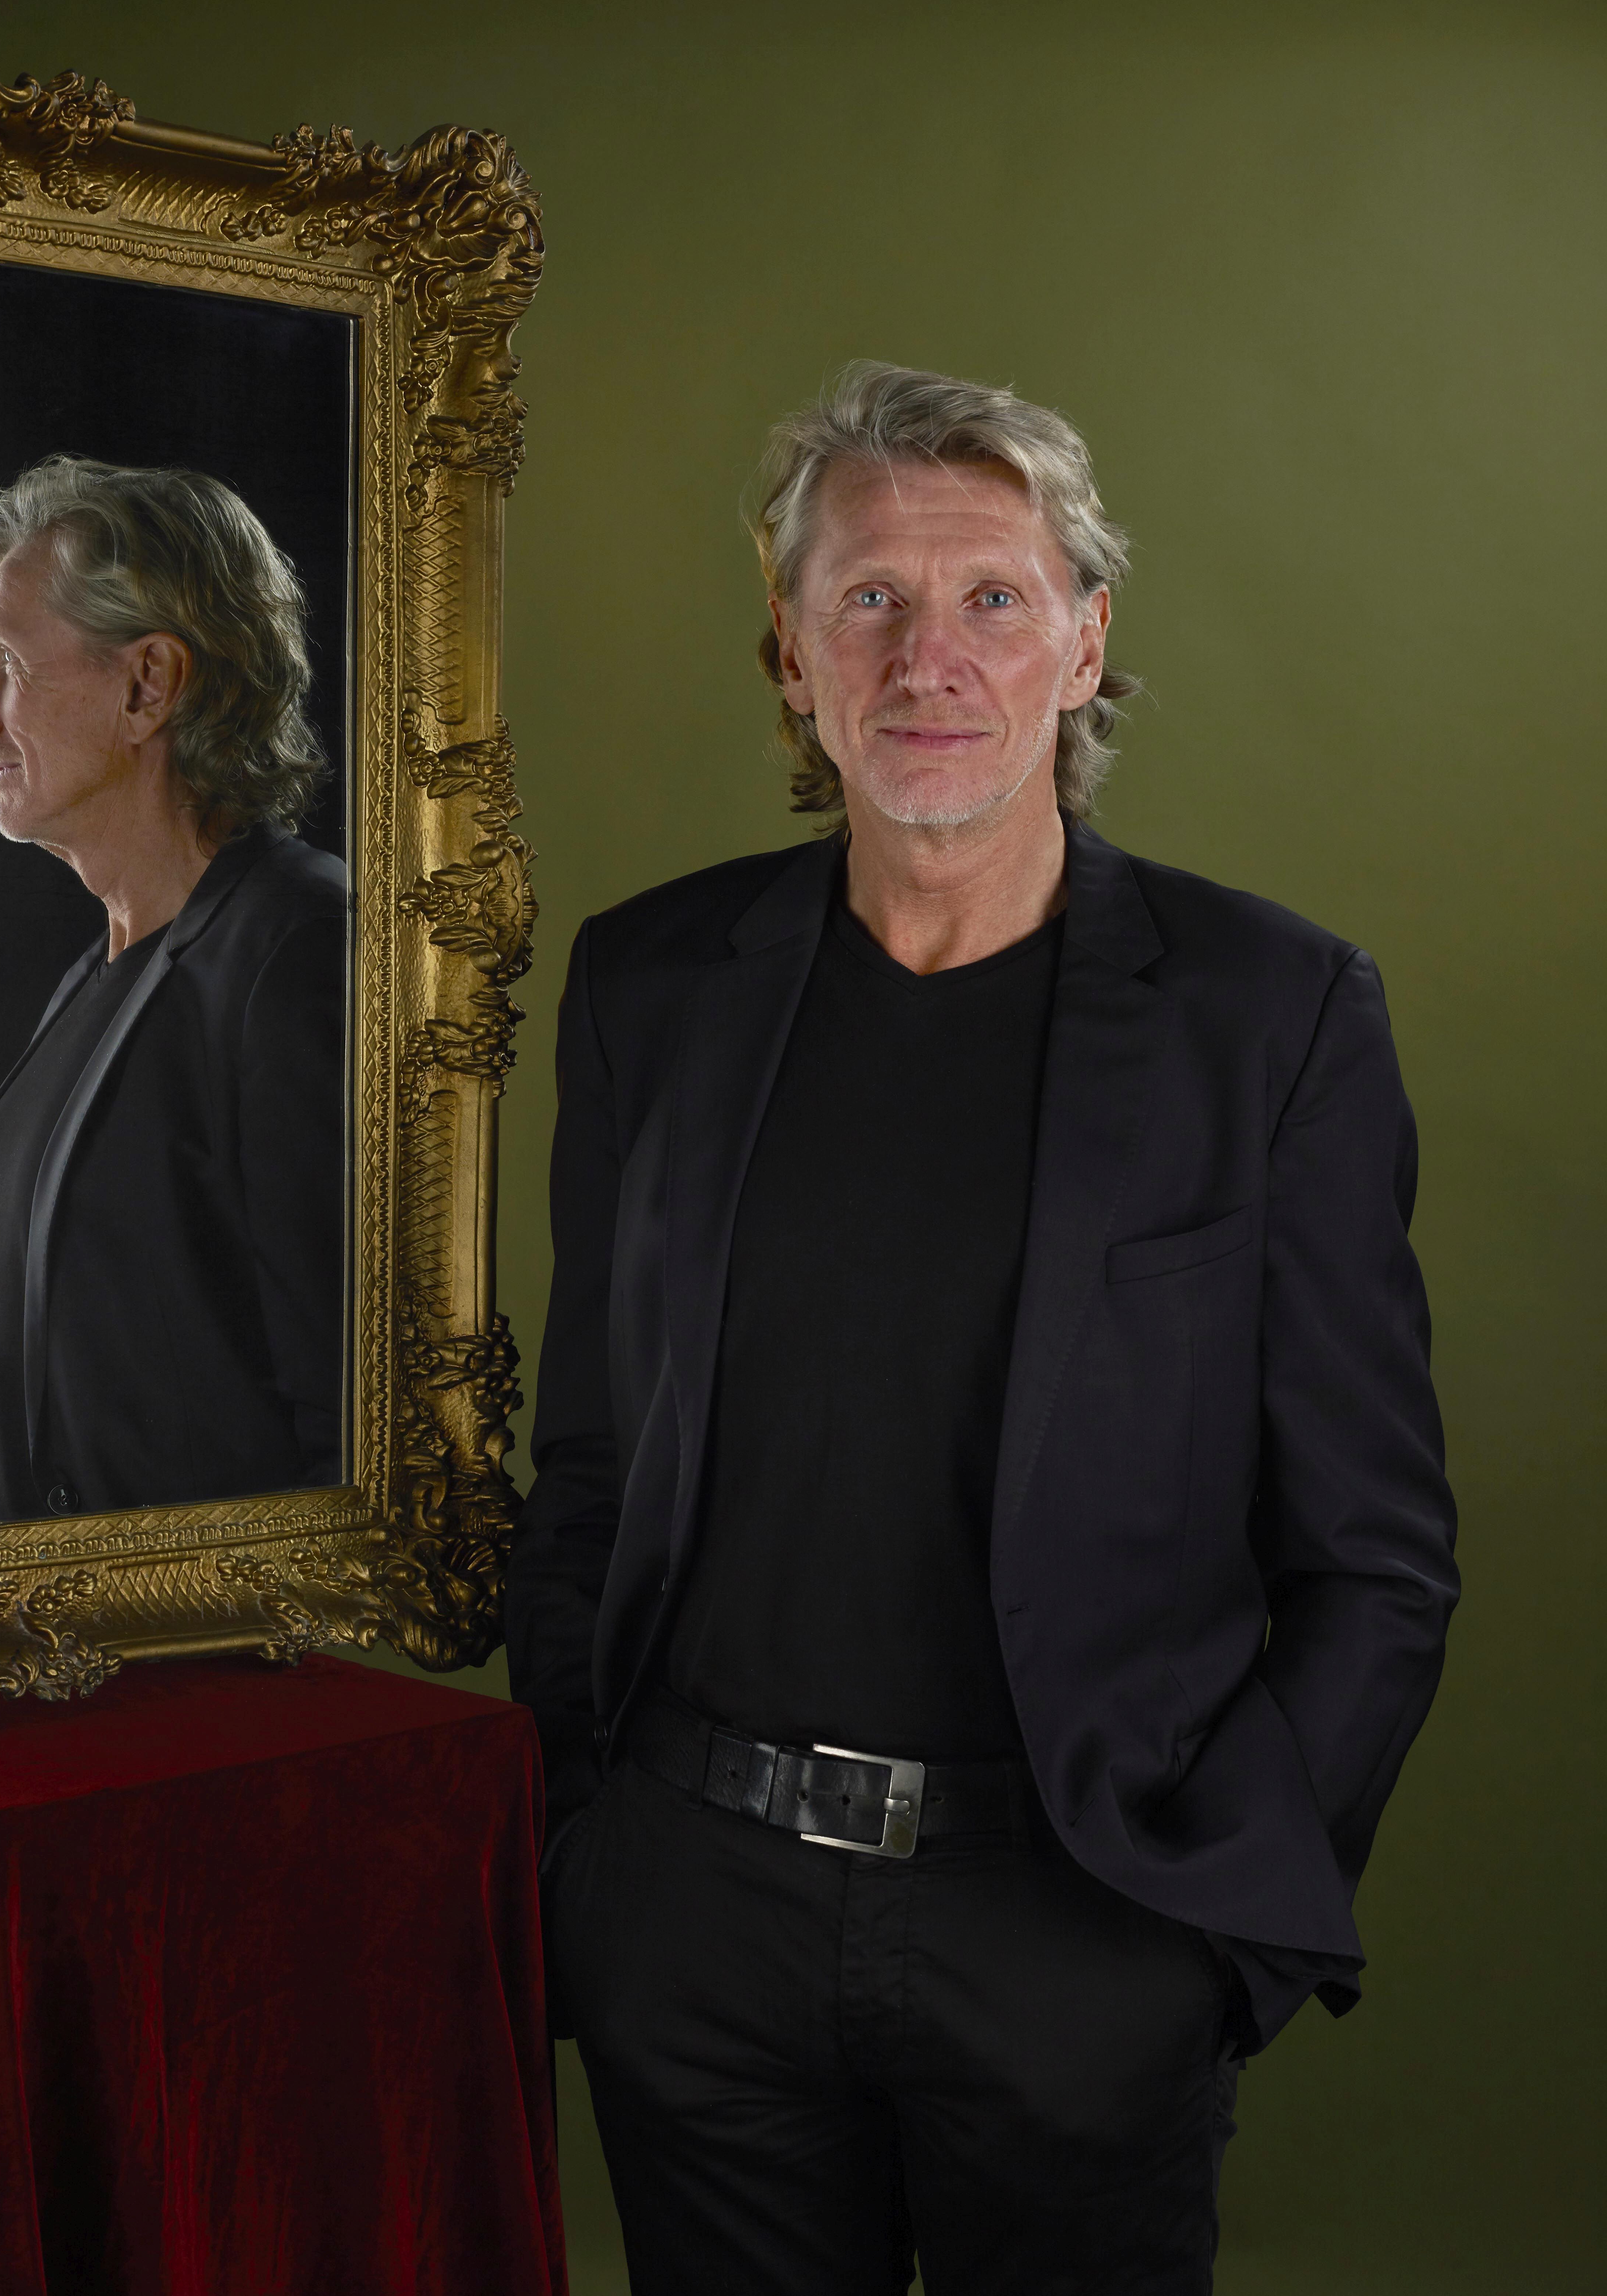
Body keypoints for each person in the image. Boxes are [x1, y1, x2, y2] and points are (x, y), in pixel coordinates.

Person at [507, 363, 1458, 2293]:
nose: (923, 656)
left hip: (1079, 1921)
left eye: (990, 598)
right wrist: (586, 1858)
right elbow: (590, 1461)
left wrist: (1208, 1935)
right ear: (790, 655)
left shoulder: (1267, 1015)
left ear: (1083, 642)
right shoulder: (648, 985)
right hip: (699, 1921)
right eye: (866, 596)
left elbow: (1371, 1552)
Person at [0, 454, 346, 1530]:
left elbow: (352, 1437)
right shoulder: (98, 975)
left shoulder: (302, 951)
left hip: (186, 1643)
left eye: (6, 665)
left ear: (148, 685)